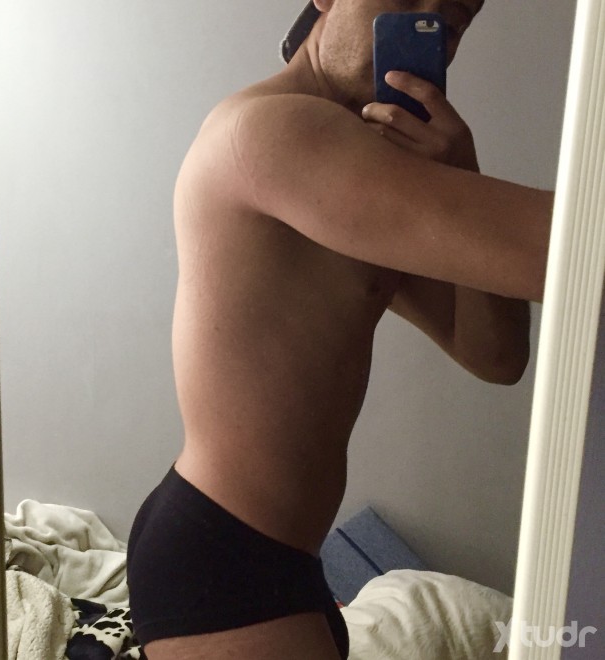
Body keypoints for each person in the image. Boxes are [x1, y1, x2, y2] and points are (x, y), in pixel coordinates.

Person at [126, 1, 554, 658]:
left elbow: (495, 356)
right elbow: (560, 251)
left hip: (285, 553)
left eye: (453, 20)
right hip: (222, 554)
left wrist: (461, 171)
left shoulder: (359, 167)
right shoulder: (274, 130)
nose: (430, 19)